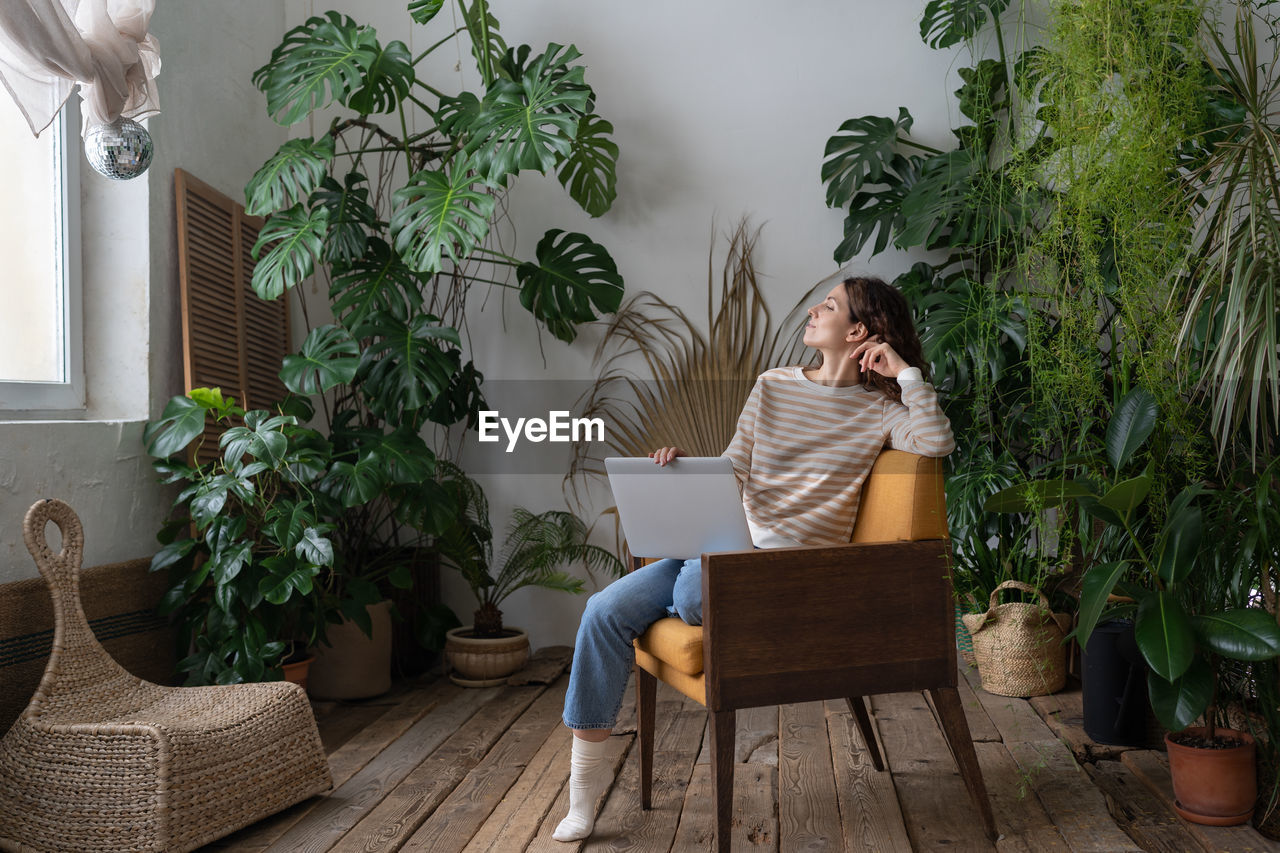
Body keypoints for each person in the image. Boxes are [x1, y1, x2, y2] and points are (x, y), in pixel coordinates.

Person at [551, 275, 955, 842]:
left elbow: (935, 443)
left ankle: (689, 580)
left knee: (693, 595)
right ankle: (583, 799)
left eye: (830, 306)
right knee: (601, 612)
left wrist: (906, 375)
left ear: (858, 331)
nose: (814, 309)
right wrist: (686, 469)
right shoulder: (773, 385)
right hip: (721, 544)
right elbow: (733, 467)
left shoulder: (879, 411)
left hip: (782, 569)